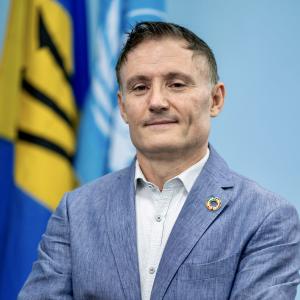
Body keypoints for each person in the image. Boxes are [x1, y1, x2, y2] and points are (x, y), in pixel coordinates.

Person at [19, 21, 300, 300]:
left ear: (215, 99)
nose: (156, 102)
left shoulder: (266, 217)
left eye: (176, 84)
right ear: (123, 107)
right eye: (139, 87)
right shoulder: (76, 212)